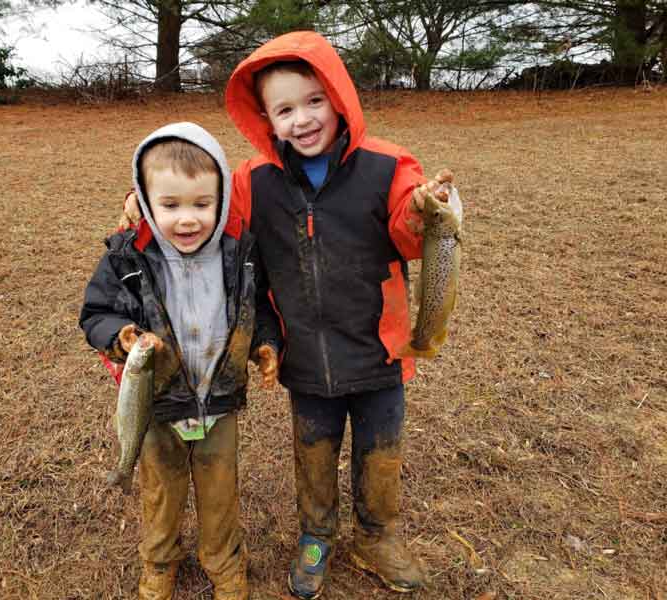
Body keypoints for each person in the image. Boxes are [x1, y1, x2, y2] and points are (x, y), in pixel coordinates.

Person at [121, 33, 453, 598]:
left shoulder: (387, 165)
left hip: (379, 349)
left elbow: (410, 227)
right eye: (285, 109)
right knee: (314, 450)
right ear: (266, 119)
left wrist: (425, 209)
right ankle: (317, 534)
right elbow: (209, 223)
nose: (302, 119)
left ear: (340, 97)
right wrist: (146, 215)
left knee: (381, 452)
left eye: (314, 101)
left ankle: (377, 535)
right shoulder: (253, 181)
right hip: (305, 356)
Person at [80, 122, 281, 600]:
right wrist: (119, 335)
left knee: (220, 495)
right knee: (161, 494)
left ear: (223, 199)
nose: (187, 219)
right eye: (170, 206)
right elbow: (96, 314)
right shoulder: (125, 257)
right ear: (146, 201)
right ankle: (159, 561)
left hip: (220, 403)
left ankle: (225, 562)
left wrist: (266, 346)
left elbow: (260, 308)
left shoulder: (241, 256)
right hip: (157, 408)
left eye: (201, 204)